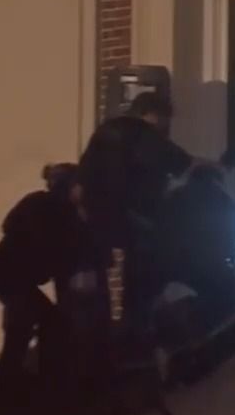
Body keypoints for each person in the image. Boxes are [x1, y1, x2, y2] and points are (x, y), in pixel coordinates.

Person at [77, 91, 207, 351]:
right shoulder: (143, 134)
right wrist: (208, 167)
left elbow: (85, 176)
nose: (165, 128)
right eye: (164, 121)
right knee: (141, 282)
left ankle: (101, 347)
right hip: (133, 221)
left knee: (101, 288)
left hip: (97, 219)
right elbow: (179, 162)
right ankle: (137, 341)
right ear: (153, 115)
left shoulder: (103, 133)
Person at [0, 163, 94, 400]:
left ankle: (24, 378)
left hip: (13, 277)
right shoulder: (52, 210)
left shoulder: (50, 208)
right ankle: (9, 385)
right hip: (11, 276)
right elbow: (58, 256)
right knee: (23, 325)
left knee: (45, 322)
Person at [157, 164, 235, 332]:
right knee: (229, 299)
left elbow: (160, 232)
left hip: (170, 268)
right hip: (211, 269)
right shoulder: (224, 201)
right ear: (216, 180)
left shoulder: (174, 197)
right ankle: (198, 333)